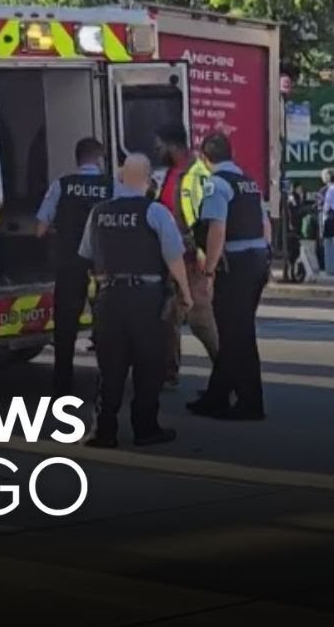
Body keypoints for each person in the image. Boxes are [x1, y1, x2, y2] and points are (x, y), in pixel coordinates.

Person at [78, 153, 193, 448]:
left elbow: (88, 255)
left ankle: (103, 431)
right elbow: (174, 256)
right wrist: (185, 292)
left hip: (108, 296)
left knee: (110, 367)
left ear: (119, 179)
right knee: (148, 364)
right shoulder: (155, 212)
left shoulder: (98, 212)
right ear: (148, 181)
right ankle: (145, 428)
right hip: (145, 297)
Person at [186, 131, 272, 420]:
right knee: (234, 331)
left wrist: (208, 271)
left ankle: (250, 403)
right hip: (257, 259)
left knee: (239, 335)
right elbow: (265, 224)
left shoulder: (216, 184)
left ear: (204, 157)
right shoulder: (249, 183)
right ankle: (217, 396)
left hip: (235, 264)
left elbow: (217, 229)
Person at [35, 137, 112, 392]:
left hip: (70, 263)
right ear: (100, 159)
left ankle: (62, 384)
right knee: (107, 325)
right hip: (104, 266)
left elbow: (40, 229)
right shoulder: (113, 186)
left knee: (66, 326)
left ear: (77, 159)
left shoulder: (62, 185)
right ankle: (109, 380)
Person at [153, 123, 218, 388]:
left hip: (192, 258)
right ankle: (169, 373)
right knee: (170, 316)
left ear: (173, 146)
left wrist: (203, 254)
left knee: (200, 317)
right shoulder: (172, 173)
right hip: (174, 256)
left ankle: (228, 370)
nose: (157, 151)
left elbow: (209, 218)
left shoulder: (196, 173)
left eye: (160, 146)